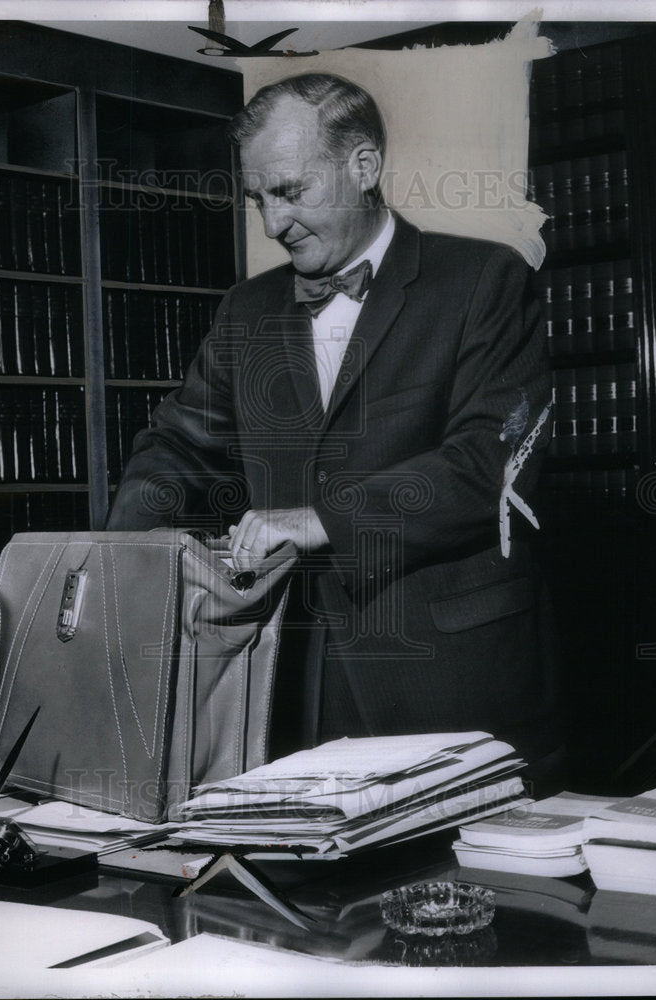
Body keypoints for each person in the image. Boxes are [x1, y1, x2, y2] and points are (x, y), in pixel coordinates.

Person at [108, 73, 566, 783]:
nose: (271, 224)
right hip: (287, 691)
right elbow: (176, 447)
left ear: (364, 166)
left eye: (289, 192)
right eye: (258, 199)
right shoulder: (246, 310)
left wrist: (319, 519)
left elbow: (492, 466)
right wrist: (115, 562)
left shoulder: (483, 281)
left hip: (450, 687)